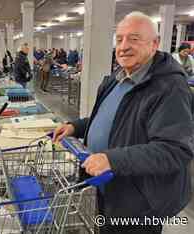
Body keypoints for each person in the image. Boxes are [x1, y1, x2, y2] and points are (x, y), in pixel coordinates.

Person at [53, 11, 193, 234]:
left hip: (139, 200)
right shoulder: (119, 77)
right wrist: (76, 126)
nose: (124, 46)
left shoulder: (170, 88)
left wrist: (111, 159)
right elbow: (116, 120)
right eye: (119, 39)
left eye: (134, 39)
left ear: (155, 43)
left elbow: (175, 150)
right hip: (110, 187)